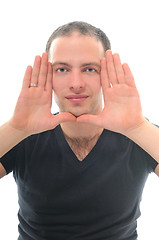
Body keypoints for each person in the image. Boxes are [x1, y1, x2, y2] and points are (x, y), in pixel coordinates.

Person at [0, 21, 159, 240]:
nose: (76, 83)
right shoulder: (23, 135)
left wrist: (138, 128)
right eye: (62, 69)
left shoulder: (140, 134)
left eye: (90, 69)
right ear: (49, 75)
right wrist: (15, 129)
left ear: (107, 74)